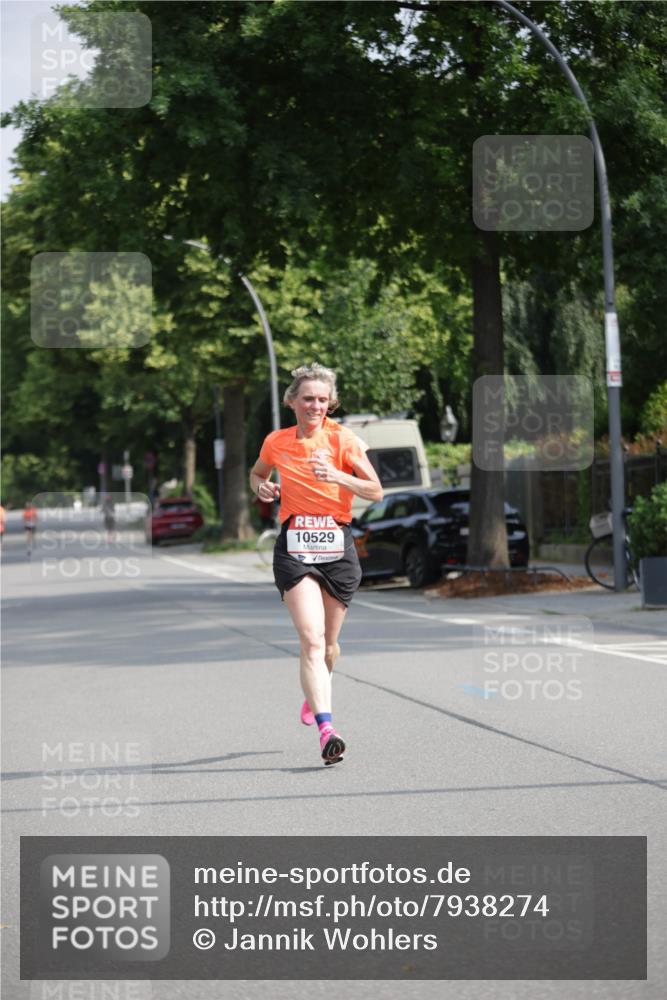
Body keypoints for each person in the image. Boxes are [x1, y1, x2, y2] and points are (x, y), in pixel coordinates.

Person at [249, 363, 383, 765]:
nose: (315, 405)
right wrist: (264, 487)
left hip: (336, 545)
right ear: (292, 400)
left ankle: (317, 690)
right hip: (295, 545)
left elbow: (375, 491)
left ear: (332, 403)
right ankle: (328, 729)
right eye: (308, 398)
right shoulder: (276, 441)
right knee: (310, 639)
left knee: (327, 646)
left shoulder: (344, 440)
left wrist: (339, 478)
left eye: (323, 399)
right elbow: (257, 474)